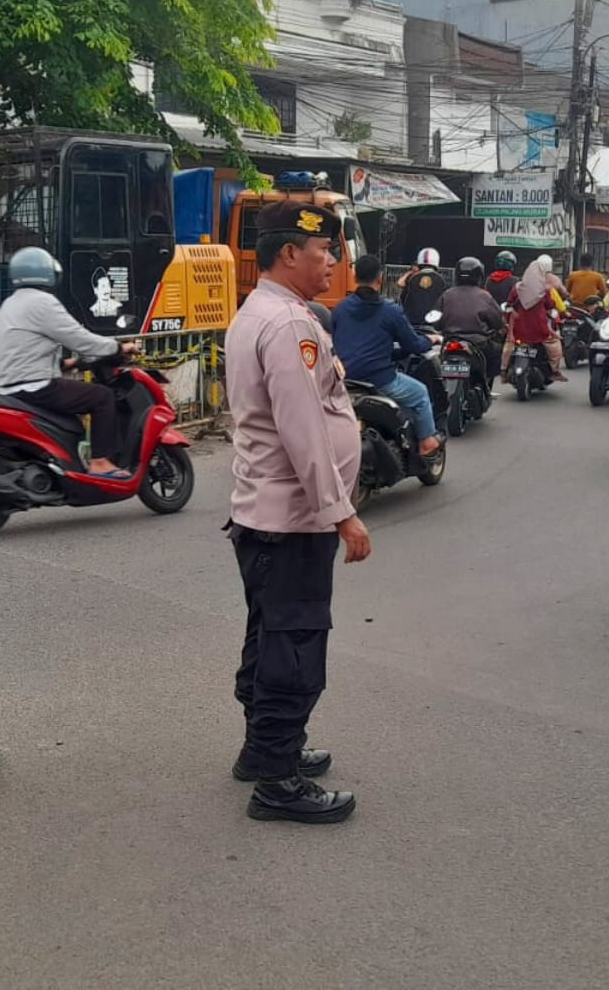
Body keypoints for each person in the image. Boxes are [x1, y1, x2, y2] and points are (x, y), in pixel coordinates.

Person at [224, 200, 370, 825]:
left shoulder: (264, 313)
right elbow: (303, 429)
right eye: (324, 251)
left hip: (268, 516)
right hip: (293, 519)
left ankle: (264, 752)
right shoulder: (289, 325)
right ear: (290, 253)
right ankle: (278, 783)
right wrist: (342, 514)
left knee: (270, 636)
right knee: (294, 647)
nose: (333, 262)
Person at [0, 247, 142, 479]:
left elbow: (26, 350)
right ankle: (100, 462)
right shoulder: (43, 302)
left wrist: (67, 364)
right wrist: (119, 347)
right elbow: (79, 338)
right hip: (35, 387)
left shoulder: (10, 304)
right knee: (102, 397)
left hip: (10, 386)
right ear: (46, 273)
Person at [333, 254, 443, 457]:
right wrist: (432, 340)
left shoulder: (340, 309)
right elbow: (414, 345)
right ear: (380, 278)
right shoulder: (390, 311)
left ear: (355, 276)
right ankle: (427, 441)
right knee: (420, 395)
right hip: (380, 380)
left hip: (345, 380)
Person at [436, 256, 505, 382]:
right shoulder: (485, 296)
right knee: (497, 350)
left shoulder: (447, 294)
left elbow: (436, 319)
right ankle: (486, 382)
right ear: (479, 276)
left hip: (450, 340)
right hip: (478, 343)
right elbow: (496, 320)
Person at [501, 257, 567, 381]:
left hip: (518, 329)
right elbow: (550, 306)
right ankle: (555, 371)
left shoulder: (517, 288)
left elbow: (509, 305)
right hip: (539, 329)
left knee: (509, 345)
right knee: (555, 345)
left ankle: (503, 370)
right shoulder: (545, 289)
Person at [396, 247, 447, 325]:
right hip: (435, 325)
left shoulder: (412, 279)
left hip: (413, 325)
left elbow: (404, 298)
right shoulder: (441, 280)